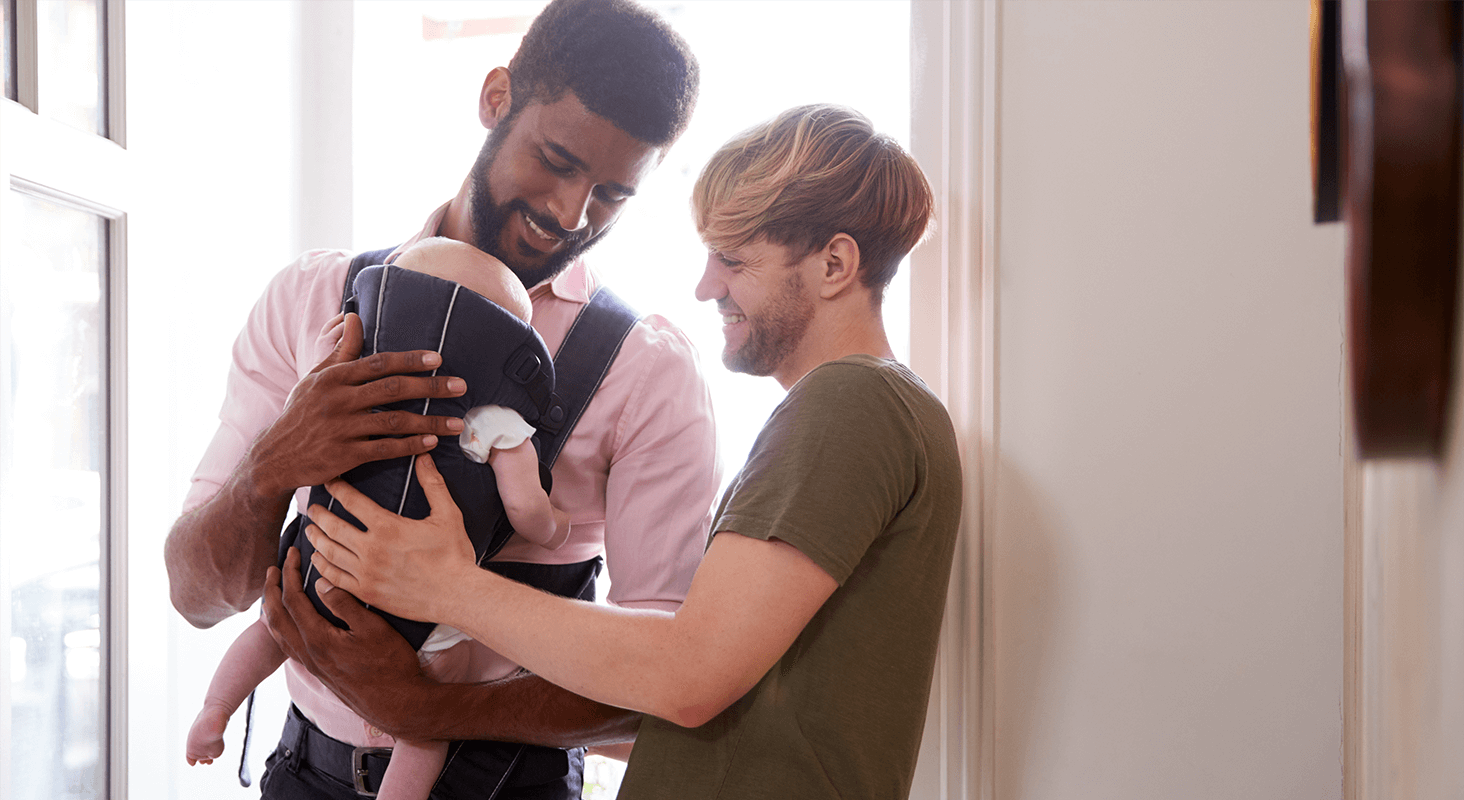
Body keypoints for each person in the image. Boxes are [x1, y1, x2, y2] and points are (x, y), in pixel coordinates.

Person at [278, 104, 963, 800]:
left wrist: (447, 587)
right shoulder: (865, 411)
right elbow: (669, 692)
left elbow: (686, 678)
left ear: (836, 264)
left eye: (732, 258)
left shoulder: (850, 404)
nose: (706, 286)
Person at [162, 0, 719, 797]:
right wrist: (272, 466)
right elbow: (195, 594)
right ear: (496, 98)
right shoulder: (312, 297)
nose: (570, 214)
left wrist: (433, 705)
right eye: (557, 160)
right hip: (299, 772)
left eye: (610, 195)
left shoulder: (648, 372)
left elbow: (661, 692)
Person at [185, 237, 569, 800]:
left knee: (271, 629)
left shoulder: (345, 375)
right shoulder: (496, 420)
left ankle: (214, 711)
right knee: (424, 727)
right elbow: (527, 511)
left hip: (324, 565)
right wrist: (555, 526)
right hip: (422, 614)